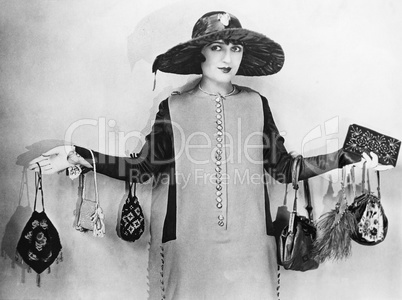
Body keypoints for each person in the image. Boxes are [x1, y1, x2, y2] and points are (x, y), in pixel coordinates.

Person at [29, 11, 378, 300]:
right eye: (217, 47)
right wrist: (80, 154)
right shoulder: (174, 107)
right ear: (201, 54)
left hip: (253, 250)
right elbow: (144, 168)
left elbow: (285, 169)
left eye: (236, 48)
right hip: (191, 251)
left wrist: (343, 158)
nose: (228, 58)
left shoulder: (257, 104)